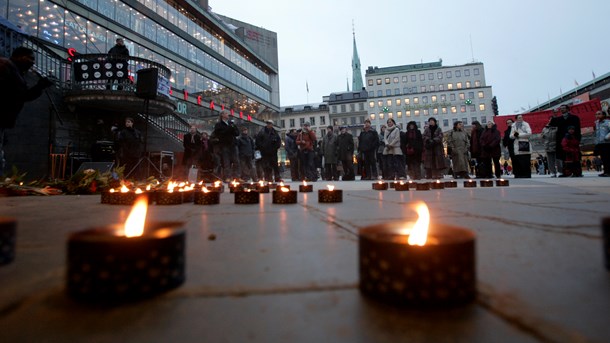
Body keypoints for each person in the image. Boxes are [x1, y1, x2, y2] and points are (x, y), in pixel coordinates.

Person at [0, 47, 53, 175]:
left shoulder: (16, 72)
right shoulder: (5, 67)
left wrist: (40, 87)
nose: (32, 62)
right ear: (19, 56)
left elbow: (23, 96)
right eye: (30, 58)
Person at [551, 104, 581, 177]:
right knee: (563, 157)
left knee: (575, 157)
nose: (562, 110)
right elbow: (552, 124)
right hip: (562, 140)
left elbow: (578, 129)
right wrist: (554, 115)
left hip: (572, 140)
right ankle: (566, 172)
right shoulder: (558, 119)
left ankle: (577, 172)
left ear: (568, 109)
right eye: (561, 109)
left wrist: (577, 139)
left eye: (563, 108)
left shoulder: (574, 118)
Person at [213, 109, 240, 182]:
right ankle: (228, 177)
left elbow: (237, 133)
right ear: (222, 115)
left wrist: (232, 128)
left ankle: (236, 177)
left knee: (236, 161)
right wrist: (229, 129)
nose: (228, 115)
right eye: (226, 113)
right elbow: (219, 134)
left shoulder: (231, 123)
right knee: (226, 162)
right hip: (225, 145)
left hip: (233, 145)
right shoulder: (219, 125)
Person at [593, 111, 610, 176]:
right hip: (600, 143)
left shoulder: (608, 122)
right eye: (596, 114)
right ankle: (606, 171)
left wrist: (607, 137)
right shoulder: (596, 123)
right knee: (603, 158)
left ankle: (608, 172)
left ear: (604, 115)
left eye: (599, 114)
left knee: (608, 158)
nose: (597, 115)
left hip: (607, 143)